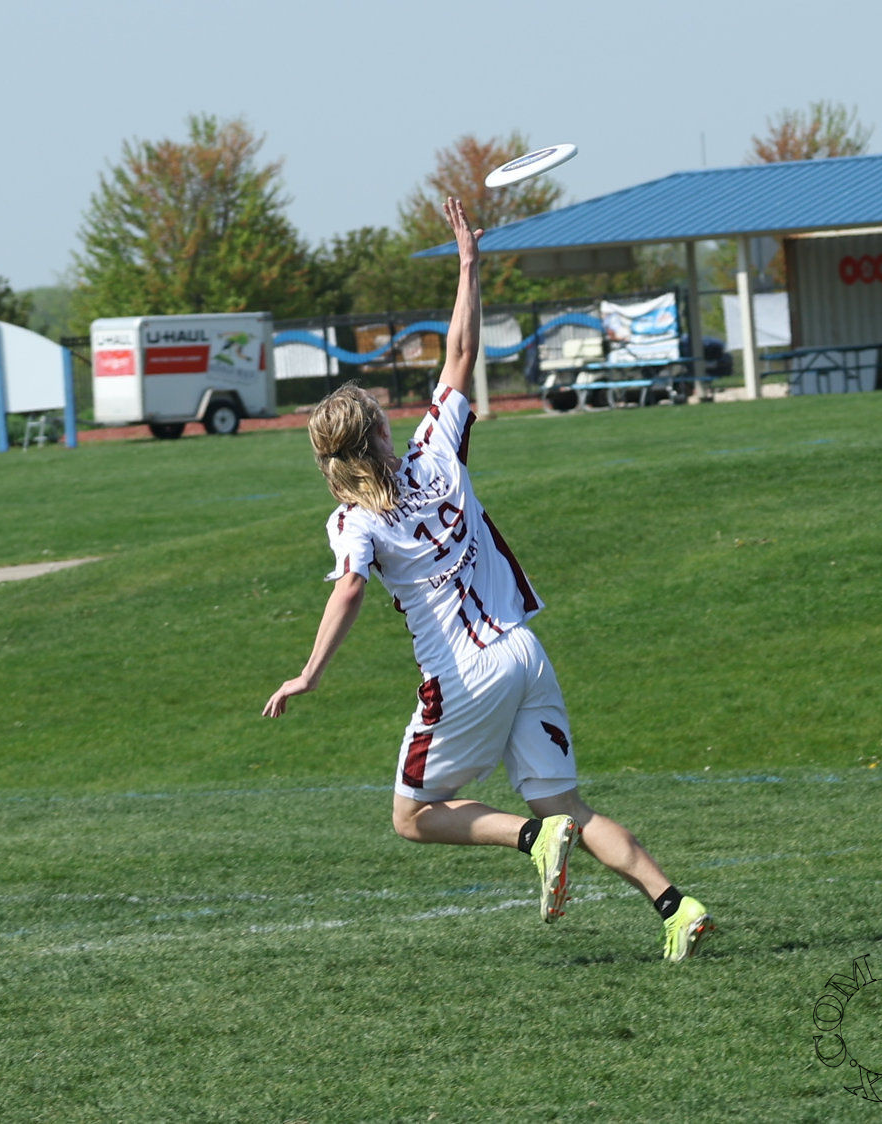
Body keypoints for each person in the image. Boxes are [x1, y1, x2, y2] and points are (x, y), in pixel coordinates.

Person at [262, 197, 712, 962]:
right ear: (381, 431)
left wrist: (309, 674)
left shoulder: (354, 521)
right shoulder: (437, 449)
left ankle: (535, 840)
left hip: (463, 675)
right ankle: (677, 905)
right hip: (525, 653)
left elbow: (350, 588)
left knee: (412, 817)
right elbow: (463, 352)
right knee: (570, 804)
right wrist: (469, 264)